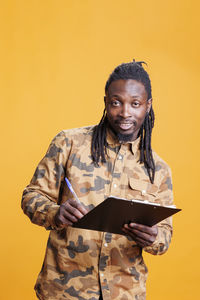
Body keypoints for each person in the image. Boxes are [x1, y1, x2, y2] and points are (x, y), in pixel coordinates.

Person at [21, 60, 174, 300]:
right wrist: (55, 213)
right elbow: (31, 196)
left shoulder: (158, 170)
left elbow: (165, 236)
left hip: (125, 293)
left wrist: (154, 237)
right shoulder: (68, 143)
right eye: (116, 102)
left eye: (135, 104)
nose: (125, 112)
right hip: (63, 291)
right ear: (105, 102)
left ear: (147, 106)